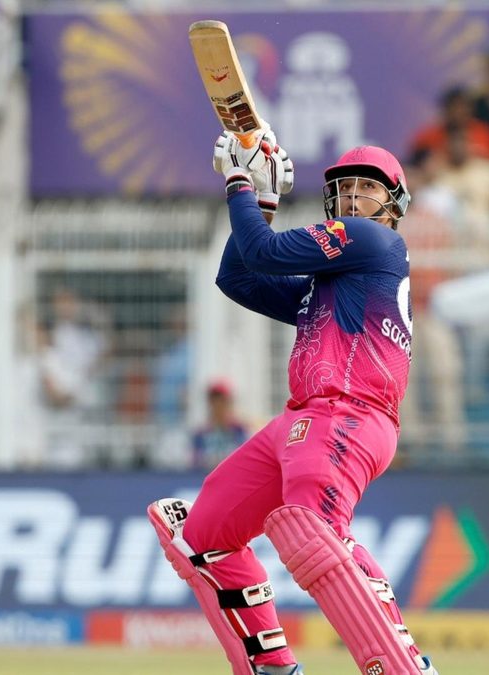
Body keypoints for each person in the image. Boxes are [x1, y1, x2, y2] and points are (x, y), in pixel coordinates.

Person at [148, 128, 438, 675]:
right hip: (304, 417)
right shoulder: (331, 285)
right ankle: (272, 665)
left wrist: (239, 180)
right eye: (345, 189)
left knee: (315, 528)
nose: (353, 199)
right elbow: (237, 276)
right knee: (203, 536)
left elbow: (264, 250)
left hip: (350, 413)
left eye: (368, 189)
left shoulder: (375, 241)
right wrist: (261, 199)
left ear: (394, 205)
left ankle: (404, 664)